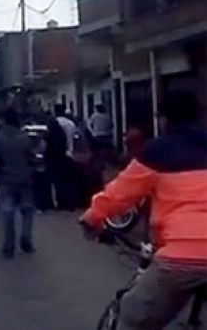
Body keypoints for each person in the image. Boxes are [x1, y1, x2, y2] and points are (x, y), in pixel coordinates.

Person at [81, 90, 207, 330]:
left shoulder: (157, 152)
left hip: (180, 258)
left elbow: (117, 195)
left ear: (164, 120)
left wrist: (91, 219)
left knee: (130, 319)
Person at [0, 109, 37, 257]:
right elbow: (32, 157)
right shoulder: (24, 137)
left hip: (6, 178)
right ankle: (26, 239)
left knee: (7, 211)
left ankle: (9, 244)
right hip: (25, 178)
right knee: (27, 210)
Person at [45, 104, 78, 211]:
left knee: (58, 180)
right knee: (69, 180)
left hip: (58, 155)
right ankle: (71, 203)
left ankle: (61, 203)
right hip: (70, 153)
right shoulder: (71, 123)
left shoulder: (54, 123)